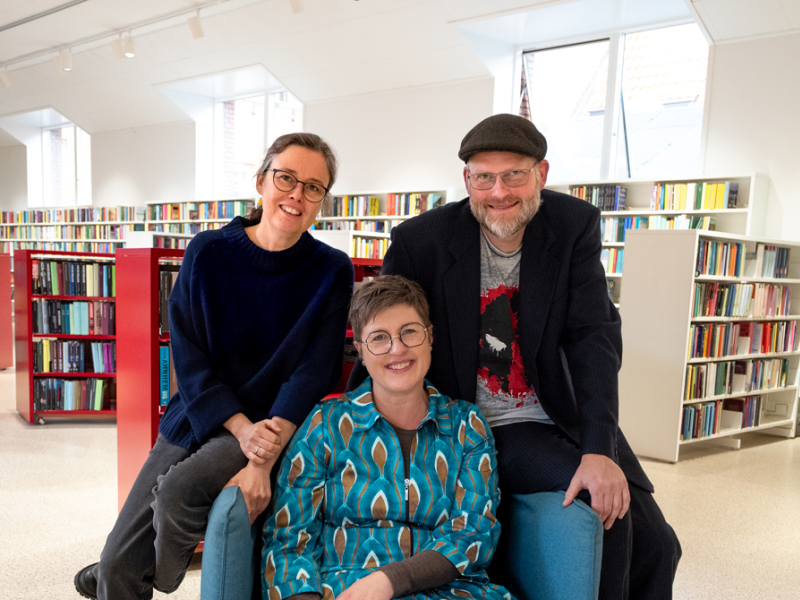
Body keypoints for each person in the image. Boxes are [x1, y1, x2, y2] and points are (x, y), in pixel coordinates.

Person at [351, 114, 681, 600]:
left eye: (514, 175)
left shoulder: (573, 226)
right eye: (484, 177)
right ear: (467, 180)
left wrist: (598, 446)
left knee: (659, 544)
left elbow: (595, 338)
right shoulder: (422, 240)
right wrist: (355, 426)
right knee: (608, 512)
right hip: (483, 423)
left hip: (559, 411)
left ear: (541, 174)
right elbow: (381, 332)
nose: (498, 191)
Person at [74, 132, 355, 600]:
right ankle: (118, 572)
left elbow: (314, 370)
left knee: (178, 492)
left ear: (322, 200)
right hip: (198, 414)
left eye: (313, 187)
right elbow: (188, 355)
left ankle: (151, 575)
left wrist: (259, 444)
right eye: (285, 178)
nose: (296, 195)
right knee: (118, 568)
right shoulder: (208, 251)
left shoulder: (332, 269)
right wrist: (238, 426)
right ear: (261, 181)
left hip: (271, 422)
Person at [261, 275, 513, 600]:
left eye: (410, 331)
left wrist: (389, 580)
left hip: (451, 590)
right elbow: (288, 538)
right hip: (343, 589)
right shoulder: (324, 424)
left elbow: (475, 532)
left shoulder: (468, 425)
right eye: (379, 338)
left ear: (430, 337)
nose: (398, 349)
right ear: (360, 352)